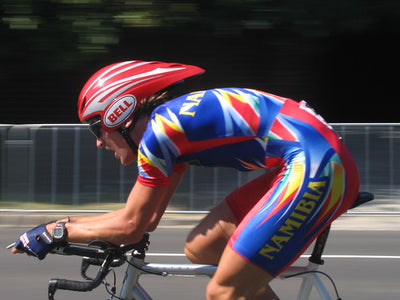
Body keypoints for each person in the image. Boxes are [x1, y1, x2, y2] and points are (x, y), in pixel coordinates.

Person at [11, 60, 360, 300]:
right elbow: (142, 218)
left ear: (119, 114)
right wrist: (64, 226)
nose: (98, 142)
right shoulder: (169, 133)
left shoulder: (159, 135)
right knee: (202, 247)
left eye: (97, 128)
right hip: (314, 159)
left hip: (318, 166)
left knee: (224, 292)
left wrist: (56, 231)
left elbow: (133, 225)